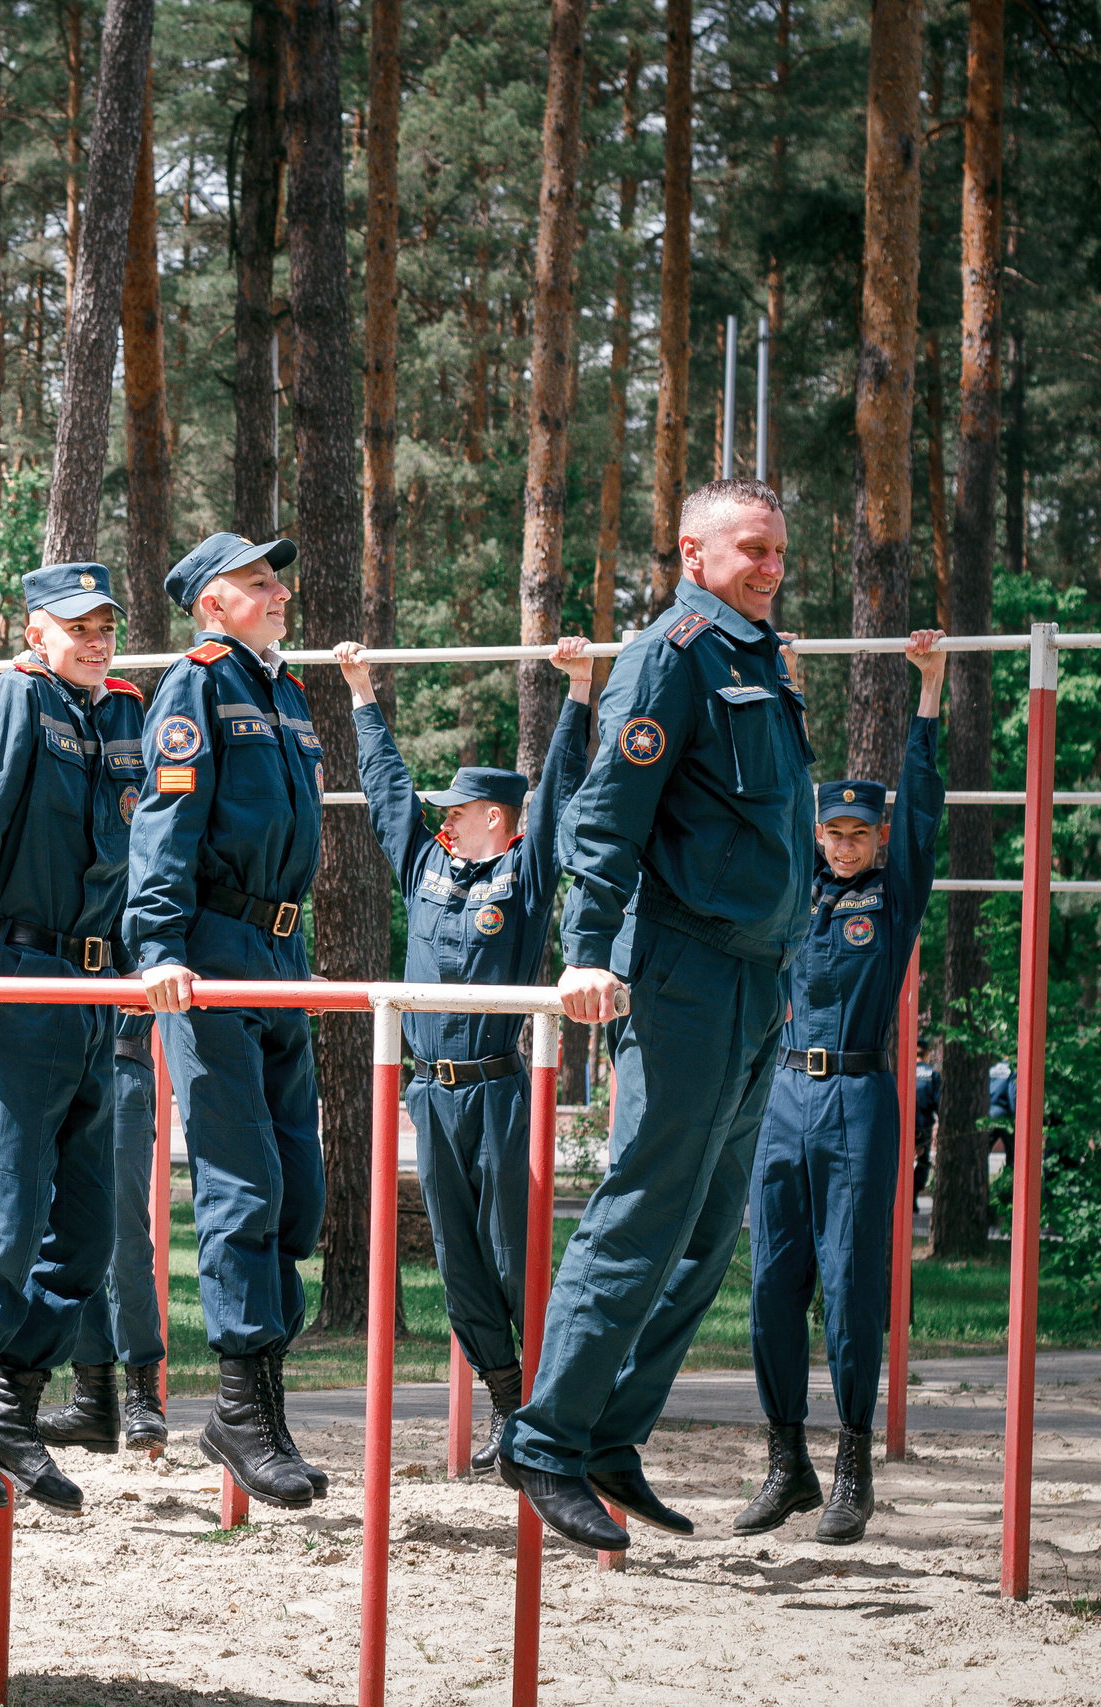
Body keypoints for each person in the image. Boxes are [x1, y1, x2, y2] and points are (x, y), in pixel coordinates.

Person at [502, 479, 814, 1552]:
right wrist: (586, 953)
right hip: (682, 974)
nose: (770, 565)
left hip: (757, 979)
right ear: (692, 552)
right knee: (642, 1213)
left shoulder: (760, 659)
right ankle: (543, 1441)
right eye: (751, 549)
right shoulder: (672, 655)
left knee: (701, 1233)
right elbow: (608, 816)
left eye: (777, 550)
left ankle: (607, 1434)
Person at [335, 632, 595, 1473]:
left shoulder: (523, 874)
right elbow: (387, 797)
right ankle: (506, 1403)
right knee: (456, 1258)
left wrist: (580, 697)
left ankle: (554, 1411)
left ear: (494, 818)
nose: (443, 817)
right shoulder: (427, 867)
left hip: (498, 1091)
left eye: (459, 809)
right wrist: (363, 695)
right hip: (430, 1093)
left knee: (515, 1250)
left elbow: (557, 799)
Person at [0, 562, 147, 1516]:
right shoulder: (15, 702)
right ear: (35, 629)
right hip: (19, 977)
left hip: (97, 986)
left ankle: (17, 1404)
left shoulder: (115, 714)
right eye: (76, 626)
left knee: (90, 1224)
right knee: (8, 1213)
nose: (95, 639)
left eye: (105, 624)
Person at [125, 531, 331, 1510]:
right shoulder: (198, 685)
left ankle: (260, 1407)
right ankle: (245, 1412)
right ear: (211, 604)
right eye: (255, 582)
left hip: (279, 956)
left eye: (275, 578)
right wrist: (158, 946)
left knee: (298, 1191)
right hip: (208, 956)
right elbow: (165, 822)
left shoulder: (281, 690)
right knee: (241, 1188)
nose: (277, 591)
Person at [736, 630, 946, 1545]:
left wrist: (928, 692)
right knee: (772, 1282)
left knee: (853, 1285)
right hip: (783, 1101)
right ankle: (789, 1461)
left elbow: (926, 812)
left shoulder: (888, 899)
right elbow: (784, 788)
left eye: (861, 831)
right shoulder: (796, 890)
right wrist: (785, 683)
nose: (846, 843)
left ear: (878, 838)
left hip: (860, 1099)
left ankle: (853, 1467)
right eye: (834, 831)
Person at [34, 1009, 169, 1457]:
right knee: (75, 1235)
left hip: (117, 1062)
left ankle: (143, 1394)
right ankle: (93, 1396)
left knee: (123, 1239)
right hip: (54, 1059)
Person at [912, 1040, 939, 1209]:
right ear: (927, 1053)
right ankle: (913, 1196)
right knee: (922, 1162)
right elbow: (938, 1101)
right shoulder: (932, 1074)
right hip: (925, 1125)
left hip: (907, 1123)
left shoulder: (906, 1071)